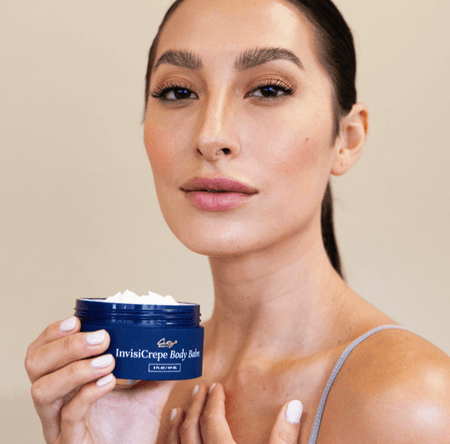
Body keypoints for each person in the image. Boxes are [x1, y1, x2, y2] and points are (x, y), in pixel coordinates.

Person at [25, 0, 450, 442]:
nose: (211, 136)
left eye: (268, 89)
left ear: (347, 138)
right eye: (179, 92)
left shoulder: (411, 402)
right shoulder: (135, 384)